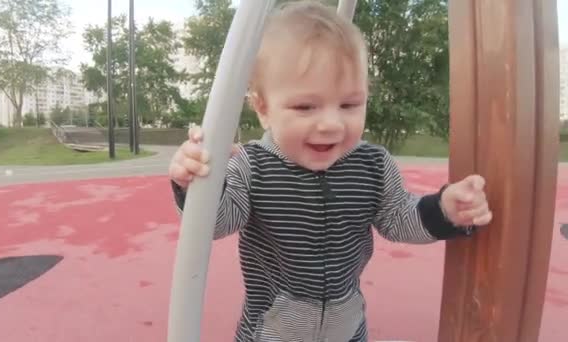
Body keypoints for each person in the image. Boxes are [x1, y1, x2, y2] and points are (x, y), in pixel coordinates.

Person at [168, 1, 492, 341]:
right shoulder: (253, 167)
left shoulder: (372, 165)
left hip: (346, 328)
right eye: (306, 106)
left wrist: (446, 210)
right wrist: (196, 186)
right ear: (263, 109)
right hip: (272, 331)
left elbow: (399, 218)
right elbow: (217, 222)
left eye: (350, 104)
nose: (331, 124)